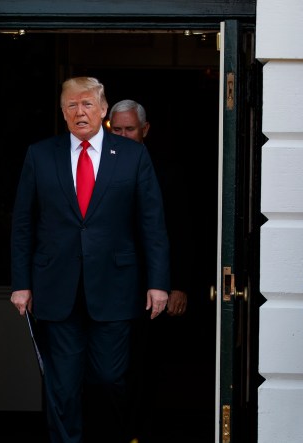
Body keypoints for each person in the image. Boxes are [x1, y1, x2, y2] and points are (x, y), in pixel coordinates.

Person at [10, 77, 171, 443]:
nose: (79, 111)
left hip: (115, 288)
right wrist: (21, 283)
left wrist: (158, 283)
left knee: (109, 379)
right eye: (71, 105)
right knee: (62, 384)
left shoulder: (132, 155)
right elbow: (23, 224)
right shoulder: (40, 154)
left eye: (87, 104)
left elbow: (153, 225)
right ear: (63, 112)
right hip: (56, 289)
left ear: (103, 110)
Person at [109, 99, 194, 442]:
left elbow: (183, 232)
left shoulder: (166, 173)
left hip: (151, 290)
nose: (124, 135)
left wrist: (178, 285)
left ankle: (139, 433)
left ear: (145, 131)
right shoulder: (94, 167)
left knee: (144, 365)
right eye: (117, 129)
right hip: (109, 288)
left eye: (130, 129)